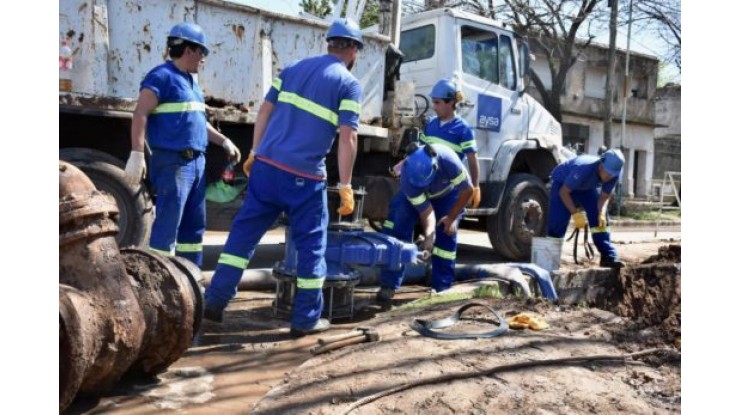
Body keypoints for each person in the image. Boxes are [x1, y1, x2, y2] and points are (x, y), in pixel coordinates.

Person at [203, 18, 364, 337]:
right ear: (354, 50)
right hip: (304, 178)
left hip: (266, 168)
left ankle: (215, 302)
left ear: (329, 43)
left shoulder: (292, 68)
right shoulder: (348, 84)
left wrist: (255, 152)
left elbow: (264, 111)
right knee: (311, 248)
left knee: (241, 239)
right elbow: (348, 138)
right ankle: (305, 320)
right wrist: (345, 184)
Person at [124, 22, 241, 268]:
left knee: (194, 228)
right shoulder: (161, 77)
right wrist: (137, 153)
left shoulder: (191, 83)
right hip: (174, 163)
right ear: (189, 50)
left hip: (196, 163)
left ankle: (190, 277)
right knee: (168, 225)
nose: (204, 59)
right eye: (203, 53)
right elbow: (140, 113)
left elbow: (198, 122)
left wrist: (223, 141)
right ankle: (158, 277)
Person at [378, 143, 474, 301]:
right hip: (418, 196)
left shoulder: (448, 160)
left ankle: (442, 289)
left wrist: (451, 217)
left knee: (447, 232)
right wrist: (429, 235)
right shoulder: (407, 179)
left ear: (435, 167)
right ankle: (389, 284)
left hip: (448, 195)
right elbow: (426, 211)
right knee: (397, 223)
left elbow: (467, 190)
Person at [546, 148, 626, 268]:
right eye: (608, 173)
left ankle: (608, 256)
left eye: (612, 175)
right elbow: (564, 192)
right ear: (601, 165)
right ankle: (549, 259)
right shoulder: (584, 168)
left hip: (587, 188)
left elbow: (604, 197)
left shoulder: (614, 174)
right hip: (562, 185)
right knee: (557, 221)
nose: (610, 177)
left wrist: (602, 213)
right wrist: (575, 213)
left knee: (600, 221)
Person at [421, 79, 481, 208]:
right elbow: (420, 153)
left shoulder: (464, 129)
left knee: (445, 227)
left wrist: (475, 187)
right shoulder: (430, 125)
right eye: (433, 102)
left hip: (449, 192)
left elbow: (472, 159)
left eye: (437, 102)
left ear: (451, 102)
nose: (433, 106)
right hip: (427, 187)